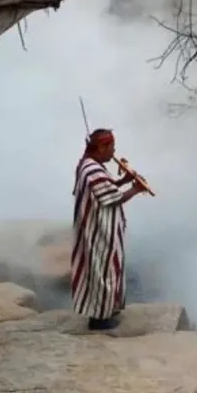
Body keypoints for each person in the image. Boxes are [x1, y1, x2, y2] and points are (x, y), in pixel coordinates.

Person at [71, 128, 148, 331]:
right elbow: (113, 197)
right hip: (98, 231)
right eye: (111, 148)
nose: (113, 153)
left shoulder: (88, 164)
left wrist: (124, 180)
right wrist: (135, 189)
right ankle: (100, 318)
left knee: (106, 269)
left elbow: (108, 186)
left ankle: (107, 310)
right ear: (101, 147)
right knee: (102, 271)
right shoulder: (93, 170)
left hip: (100, 228)